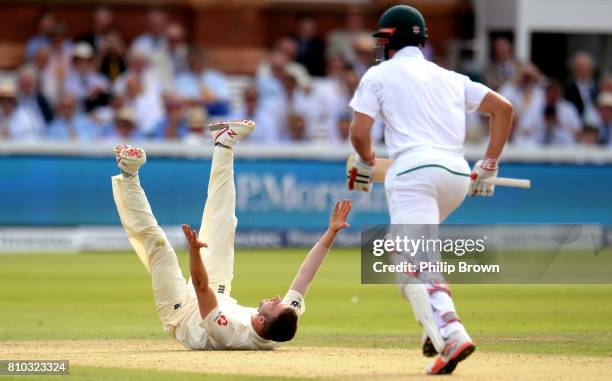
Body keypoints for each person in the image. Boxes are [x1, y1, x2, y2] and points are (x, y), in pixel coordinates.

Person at [346, 5, 513, 375]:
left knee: (417, 261)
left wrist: (365, 160)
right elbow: (503, 109)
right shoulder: (450, 77)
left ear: (390, 39)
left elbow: (359, 134)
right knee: (402, 253)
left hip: (414, 175)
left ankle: (451, 330)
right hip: (455, 175)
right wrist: (488, 164)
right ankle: (433, 327)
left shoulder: (378, 75)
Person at [111, 119, 352, 350]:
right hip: (217, 294)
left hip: (182, 313)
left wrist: (194, 252)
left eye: (275, 305)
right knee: (224, 223)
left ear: (260, 322)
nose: (279, 298)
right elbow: (305, 276)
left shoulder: (231, 332)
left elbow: (201, 286)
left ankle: (128, 174)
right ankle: (223, 143)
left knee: (160, 247)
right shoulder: (282, 323)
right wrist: (331, 232)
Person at [565, 52, 598, 119]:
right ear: (573, 69)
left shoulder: (598, 87)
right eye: (579, 67)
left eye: (585, 67)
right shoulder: (567, 88)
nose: (582, 70)